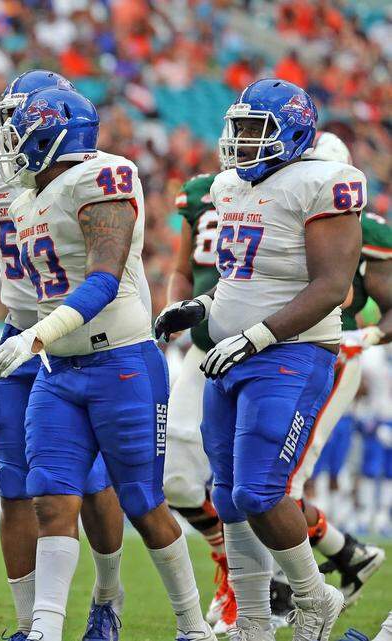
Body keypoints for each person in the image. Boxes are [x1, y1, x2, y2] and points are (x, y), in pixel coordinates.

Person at [0, 85, 214, 641]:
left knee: (142, 502)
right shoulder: (25, 198)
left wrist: (33, 337)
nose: (12, 145)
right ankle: (44, 629)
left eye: (23, 133)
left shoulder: (103, 177)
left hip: (122, 363)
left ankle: (193, 627)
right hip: (59, 371)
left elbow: (104, 280)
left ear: (56, 136)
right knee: (50, 498)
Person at [155, 79, 359, 641]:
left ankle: (314, 597)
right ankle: (252, 619)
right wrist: (198, 307)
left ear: (292, 132)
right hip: (230, 352)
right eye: (239, 128)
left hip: (291, 351)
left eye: (254, 129)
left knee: (259, 491)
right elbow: (237, 281)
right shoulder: (228, 186)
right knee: (226, 495)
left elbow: (331, 286)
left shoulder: (323, 182)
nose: (241, 140)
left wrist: (256, 337)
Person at [0, 69, 127, 641]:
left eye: (25, 118)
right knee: (15, 485)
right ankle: (31, 622)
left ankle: (107, 597)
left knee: (94, 485)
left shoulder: (87, 175)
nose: (15, 130)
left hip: (78, 341)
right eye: (11, 118)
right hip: (17, 340)